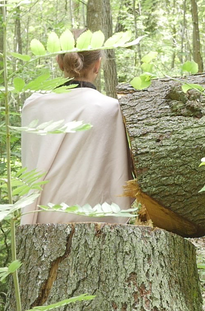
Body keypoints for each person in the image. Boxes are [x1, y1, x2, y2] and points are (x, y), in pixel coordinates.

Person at [19, 42, 134, 225]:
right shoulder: (113, 109)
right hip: (103, 222)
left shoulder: (34, 107)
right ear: (97, 65)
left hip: (44, 221)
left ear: (59, 62)